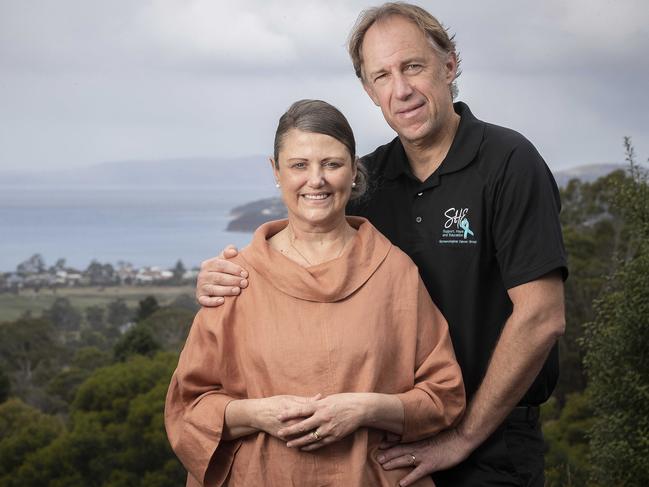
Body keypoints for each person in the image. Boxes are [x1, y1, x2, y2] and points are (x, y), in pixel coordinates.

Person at [196, 3, 568, 487]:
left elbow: (541, 317)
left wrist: (461, 438)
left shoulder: (508, 162)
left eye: (412, 66)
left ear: (449, 64)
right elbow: (302, 248)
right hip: (393, 445)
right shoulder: (367, 182)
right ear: (369, 91)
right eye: (382, 75)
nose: (402, 90)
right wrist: (227, 275)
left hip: (492, 440)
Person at [166, 99, 465, 487]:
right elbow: (189, 407)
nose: (316, 180)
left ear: (354, 171)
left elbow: (444, 397)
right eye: (299, 165)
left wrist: (366, 408)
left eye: (332, 164)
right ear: (276, 171)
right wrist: (258, 414)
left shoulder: (395, 272)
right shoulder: (235, 278)